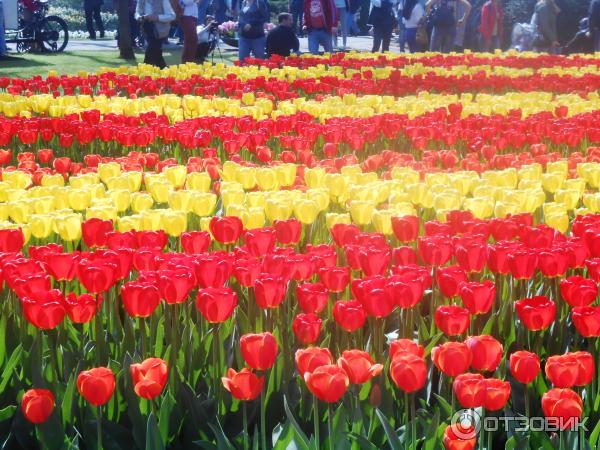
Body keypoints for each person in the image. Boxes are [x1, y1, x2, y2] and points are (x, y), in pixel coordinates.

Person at [136, 0, 176, 68]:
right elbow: (137, 13)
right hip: (147, 27)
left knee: (151, 50)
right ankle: (164, 71)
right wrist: (140, 17)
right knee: (157, 52)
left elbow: (172, 16)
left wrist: (157, 17)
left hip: (160, 30)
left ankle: (145, 71)